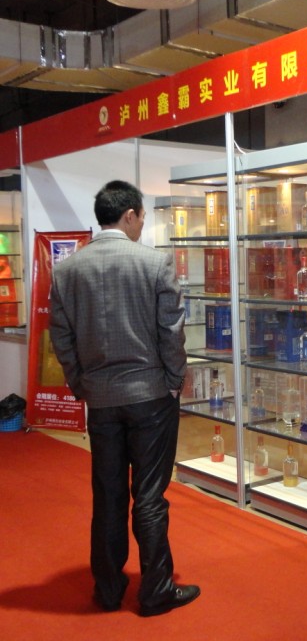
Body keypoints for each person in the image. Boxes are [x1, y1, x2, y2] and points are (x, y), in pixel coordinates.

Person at [49, 180, 200, 617]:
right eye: (142, 218)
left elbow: (62, 338)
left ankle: (109, 588)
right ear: (130, 215)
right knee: (150, 495)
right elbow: (171, 331)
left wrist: (80, 384)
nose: (142, 226)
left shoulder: (67, 270)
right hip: (151, 395)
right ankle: (155, 590)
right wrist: (174, 380)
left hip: (100, 399)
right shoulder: (153, 262)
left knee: (108, 493)